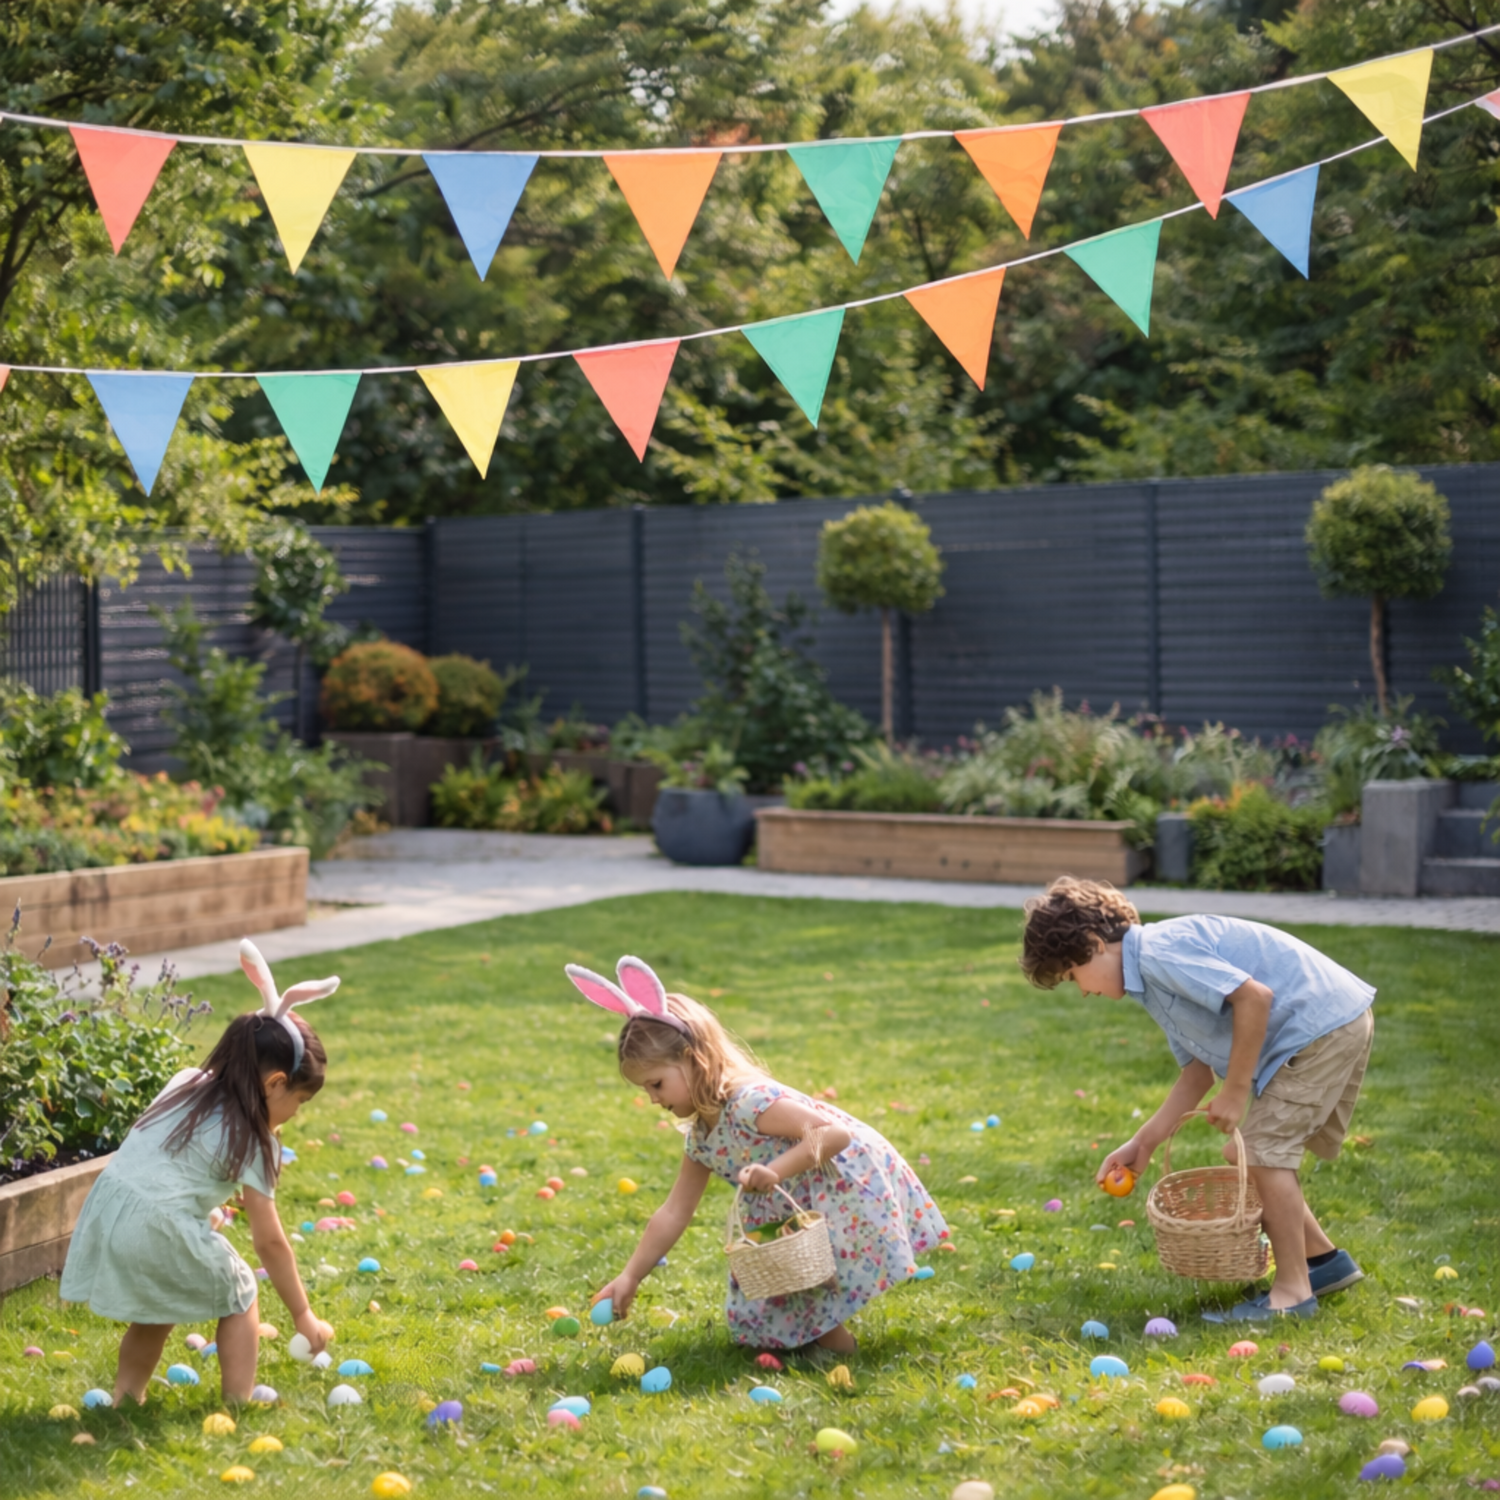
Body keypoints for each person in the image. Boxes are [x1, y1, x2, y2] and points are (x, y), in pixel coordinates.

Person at [1019, 877, 1374, 1322]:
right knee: (1254, 1153)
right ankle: (1323, 1263)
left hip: (1320, 1026)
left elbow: (1254, 998)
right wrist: (1144, 1143)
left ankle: (1292, 1293)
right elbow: (1196, 1073)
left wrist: (1236, 1090)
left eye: (1074, 976)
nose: (1083, 990)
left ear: (1094, 945)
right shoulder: (1149, 984)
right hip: (1326, 1024)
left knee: (1263, 1156)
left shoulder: (1159, 952)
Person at [566, 955, 947, 1356]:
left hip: (842, 1186)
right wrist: (631, 1276)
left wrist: (776, 1170)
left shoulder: (750, 1103)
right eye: (645, 1089)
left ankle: (841, 1354)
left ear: (694, 1059)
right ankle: (827, 1350)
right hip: (795, 1205)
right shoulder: (702, 1136)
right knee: (785, 1288)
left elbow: (833, 1134)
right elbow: (674, 1211)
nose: (652, 1098)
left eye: (657, 1084)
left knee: (806, 1284)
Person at [60, 940, 339, 1403]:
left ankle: (127, 1397)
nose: (296, 1113)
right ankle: (237, 1402)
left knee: (159, 1303)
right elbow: (268, 1242)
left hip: (111, 1211)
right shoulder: (256, 1140)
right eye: (299, 1101)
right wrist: (303, 1314)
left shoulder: (186, 1082)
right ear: (275, 1084)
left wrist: (197, 1213)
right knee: (241, 1292)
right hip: (156, 1225)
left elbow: (162, 1160)